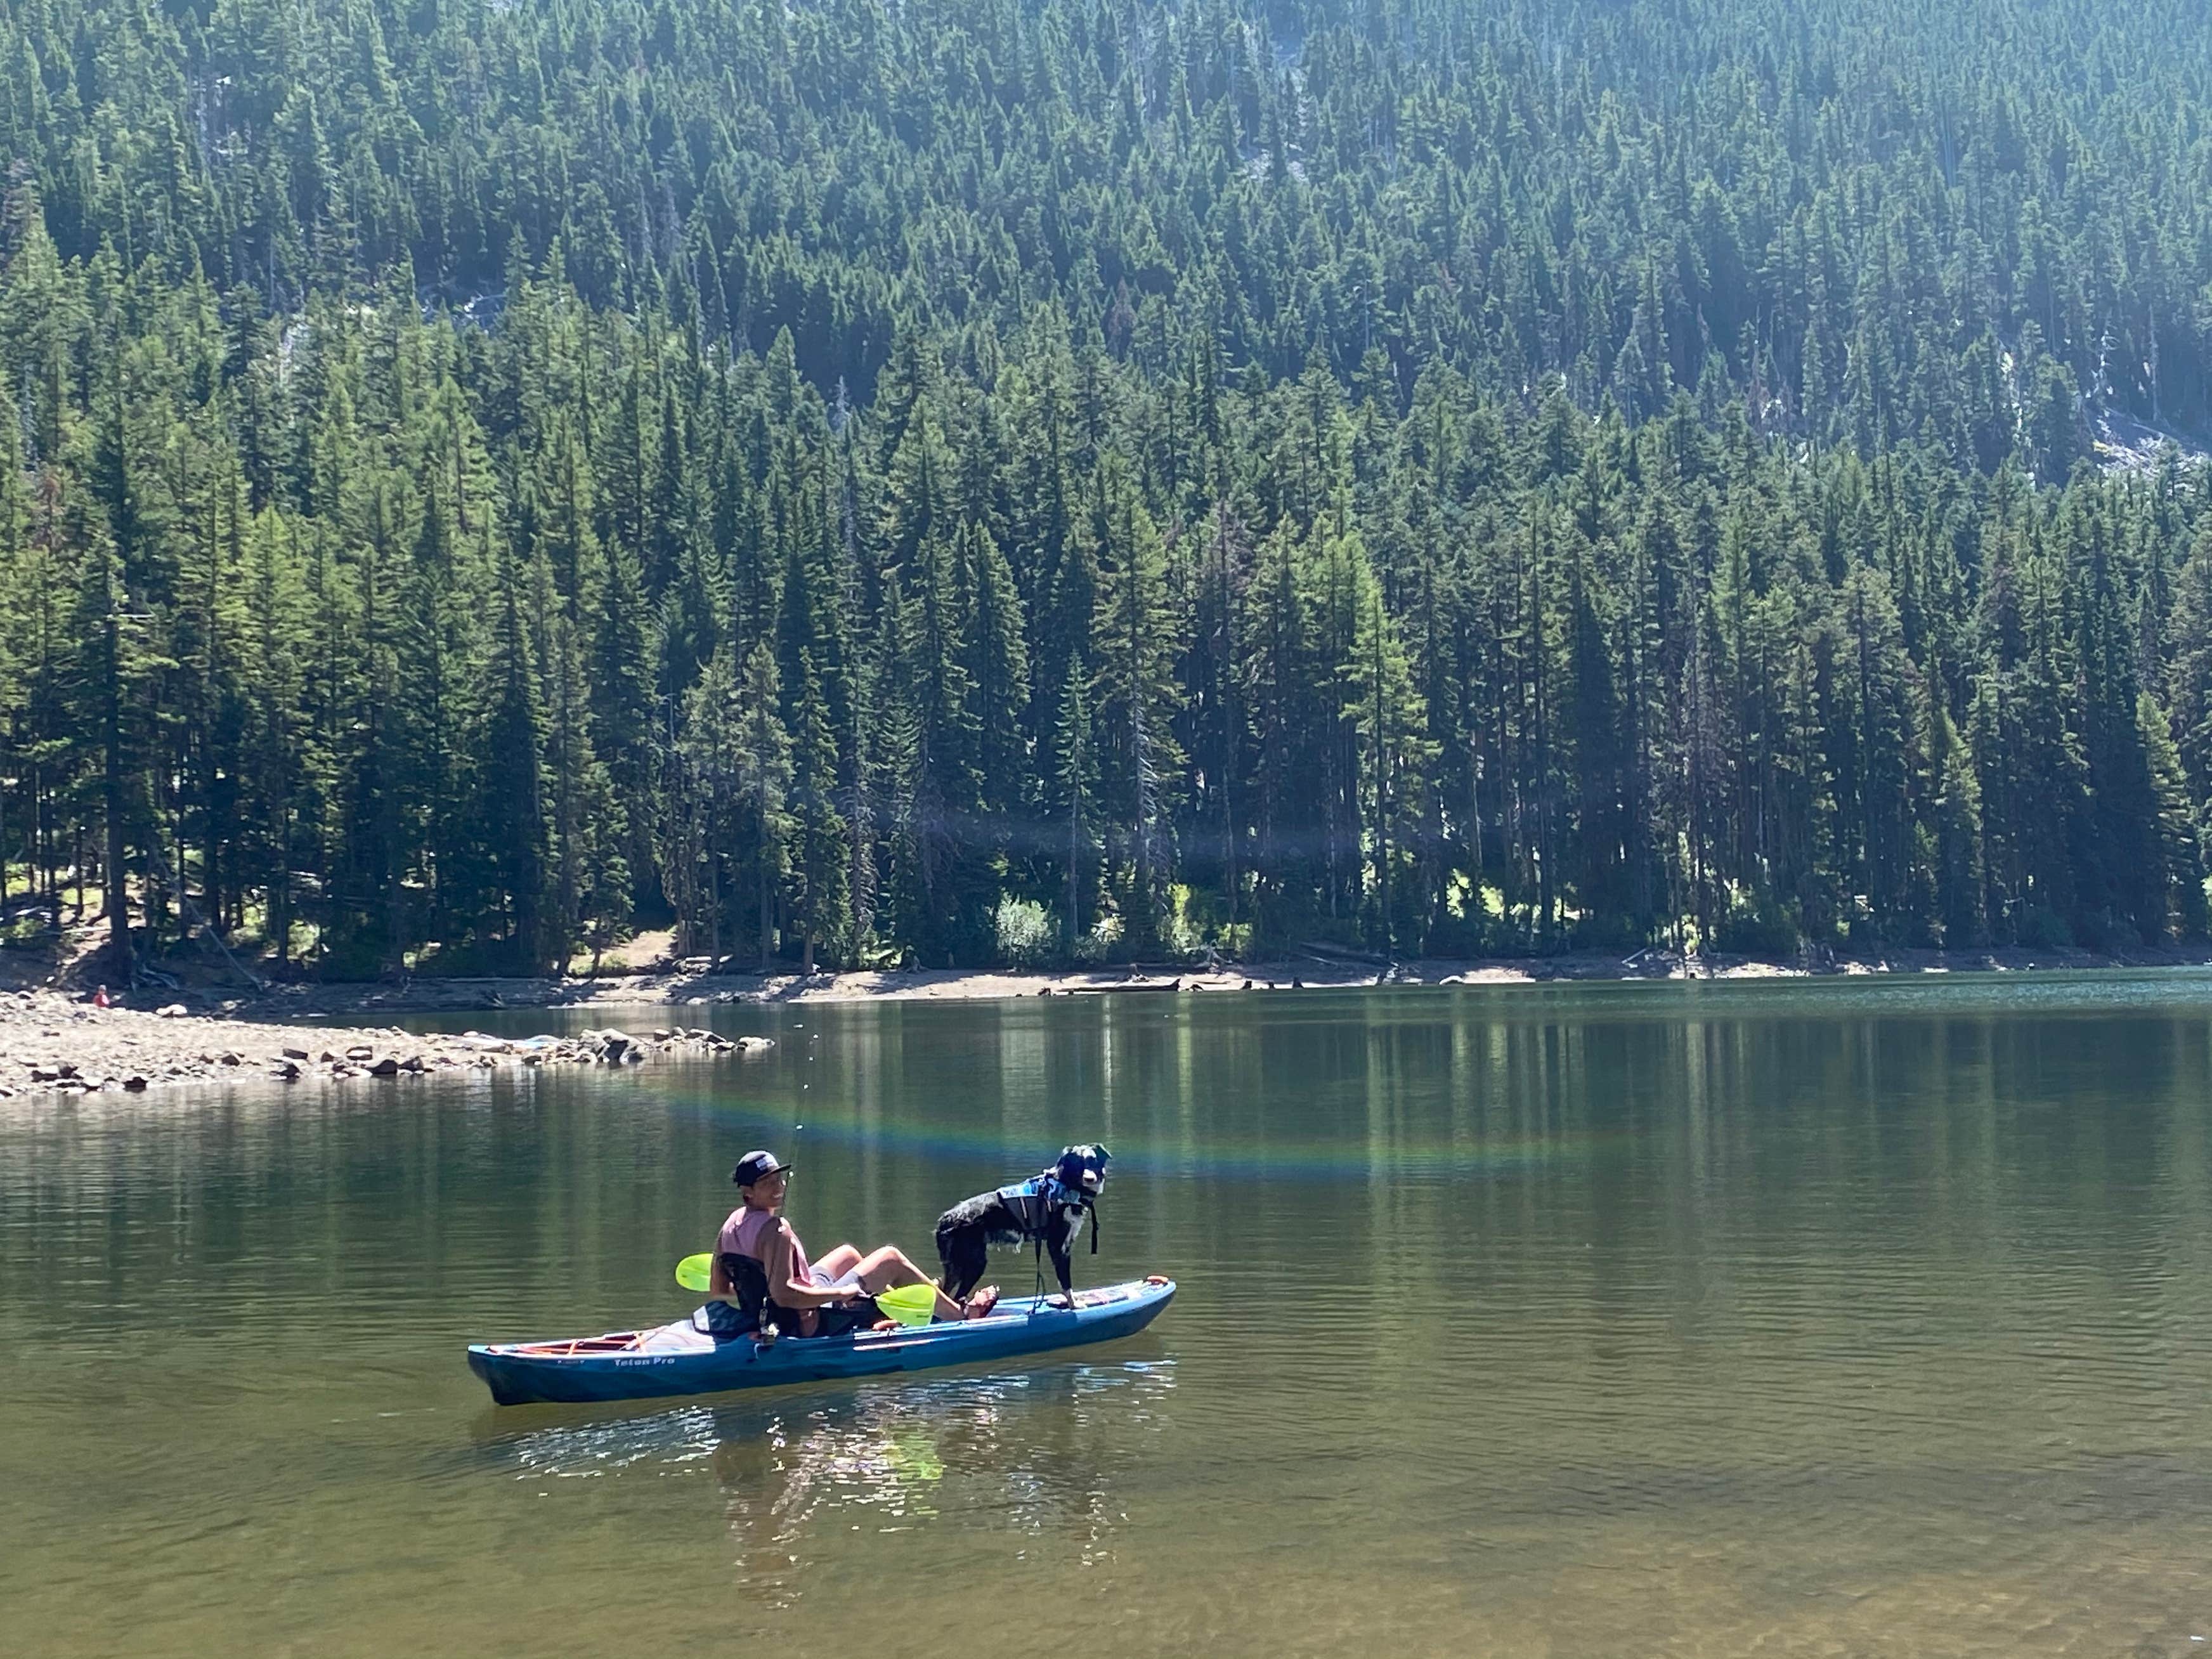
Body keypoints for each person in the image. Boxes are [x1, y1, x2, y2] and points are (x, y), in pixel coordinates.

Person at [710, 1150, 997, 1338]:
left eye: (778, 1179)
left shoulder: (729, 1226)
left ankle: (892, 1307)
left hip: (772, 1311)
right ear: (747, 1192)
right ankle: (959, 1315)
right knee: (890, 1258)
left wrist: (754, 1289)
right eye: (767, 1183)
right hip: (802, 1321)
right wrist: (842, 1291)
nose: (780, 1187)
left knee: (848, 1255)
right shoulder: (776, 1230)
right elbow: (785, 1296)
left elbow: (718, 1288)